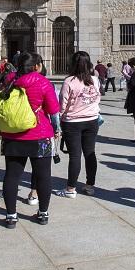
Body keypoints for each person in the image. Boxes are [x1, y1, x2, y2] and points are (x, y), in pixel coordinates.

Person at [0, 52, 61, 228]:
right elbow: (53, 110)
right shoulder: (43, 82)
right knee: (43, 176)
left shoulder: (10, 80)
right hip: (40, 135)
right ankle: (43, 213)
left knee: (11, 175)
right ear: (36, 66)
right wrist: (56, 130)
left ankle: (11, 216)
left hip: (12, 135)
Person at [55, 51, 101, 198]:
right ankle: (90, 185)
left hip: (72, 122)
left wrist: (58, 121)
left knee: (75, 156)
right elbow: (97, 97)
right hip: (92, 120)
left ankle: (70, 188)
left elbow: (62, 103)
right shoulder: (94, 80)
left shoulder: (69, 81)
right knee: (90, 152)